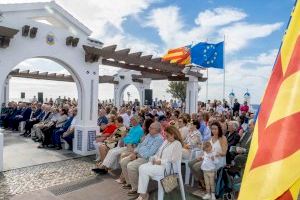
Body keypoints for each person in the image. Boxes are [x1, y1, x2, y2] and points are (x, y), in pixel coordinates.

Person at [136, 125, 183, 200]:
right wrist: (154, 158)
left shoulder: (177, 144)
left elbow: (173, 160)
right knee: (141, 167)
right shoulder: (166, 141)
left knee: (143, 169)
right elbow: (158, 153)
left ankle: (143, 195)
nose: (165, 137)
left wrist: (160, 161)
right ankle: (143, 194)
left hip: (167, 168)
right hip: (160, 165)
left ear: (172, 134)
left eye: (167, 135)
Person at [120, 122, 164, 197]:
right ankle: (130, 183)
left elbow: (150, 153)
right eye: (149, 127)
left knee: (131, 166)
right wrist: (135, 152)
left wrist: (137, 156)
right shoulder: (149, 135)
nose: (149, 129)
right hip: (139, 155)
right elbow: (141, 145)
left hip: (148, 158)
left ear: (157, 130)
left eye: (151, 128)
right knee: (123, 162)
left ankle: (136, 188)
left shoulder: (159, 139)